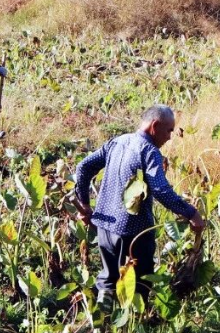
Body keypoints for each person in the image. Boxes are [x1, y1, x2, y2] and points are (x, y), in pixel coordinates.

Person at [74, 104, 206, 309]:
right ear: (154, 126)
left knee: (108, 282)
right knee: (140, 284)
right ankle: (137, 323)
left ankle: (102, 323)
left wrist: (84, 203)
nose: (170, 136)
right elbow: (161, 190)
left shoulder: (117, 142)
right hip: (133, 232)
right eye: (169, 130)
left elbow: (83, 167)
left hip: (105, 227)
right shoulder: (149, 151)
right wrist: (191, 213)